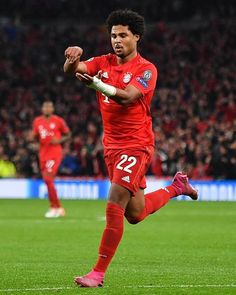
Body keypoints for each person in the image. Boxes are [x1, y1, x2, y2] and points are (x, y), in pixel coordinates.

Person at [64, 9, 198, 287]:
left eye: (123, 35)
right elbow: (74, 71)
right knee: (135, 214)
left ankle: (97, 273)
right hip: (111, 146)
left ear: (136, 37)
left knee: (114, 202)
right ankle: (177, 187)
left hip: (136, 144)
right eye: (113, 35)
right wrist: (71, 59)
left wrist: (98, 85)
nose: (117, 40)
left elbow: (127, 97)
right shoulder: (103, 61)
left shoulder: (147, 69)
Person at [32, 101, 71, 218]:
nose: (47, 109)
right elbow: (35, 137)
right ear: (42, 109)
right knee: (47, 180)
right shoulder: (37, 121)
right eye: (45, 107)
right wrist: (35, 143)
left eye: (49, 107)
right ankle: (56, 207)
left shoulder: (58, 121)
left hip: (54, 154)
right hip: (43, 154)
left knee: (48, 179)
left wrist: (59, 141)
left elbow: (68, 134)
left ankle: (56, 207)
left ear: (53, 109)